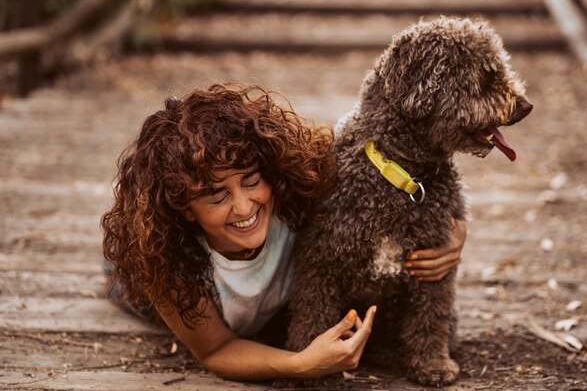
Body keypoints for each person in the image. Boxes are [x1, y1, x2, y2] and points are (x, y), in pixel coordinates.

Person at [101, 83, 466, 381]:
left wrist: (455, 235)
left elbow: (400, 177)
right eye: (216, 196)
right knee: (119, 278)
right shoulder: (164, 263)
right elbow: (216, 349)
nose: (244, 208)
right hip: (144, 284)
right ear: (184, 207)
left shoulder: (299, 187)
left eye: (251, 181)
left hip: (270, 307)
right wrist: (300, 364)